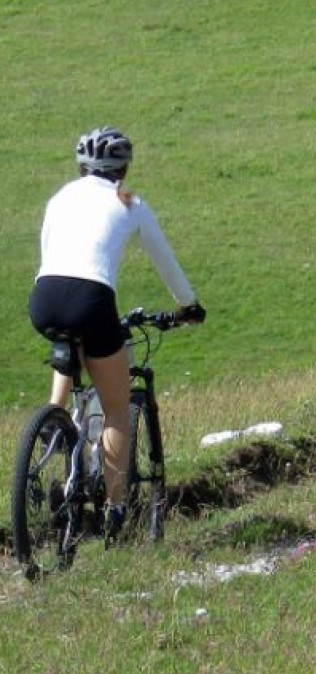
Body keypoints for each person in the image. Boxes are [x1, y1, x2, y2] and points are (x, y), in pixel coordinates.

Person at [28, 125, 206, 544]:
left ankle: (52, 420)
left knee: (70, 340)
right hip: (91, 300)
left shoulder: (60, 198)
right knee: (118, 411)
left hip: (44, 297)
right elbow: (166, 264)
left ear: (80, 165)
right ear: (123, 169)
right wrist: (189, 306)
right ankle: (114, 509)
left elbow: (52, 250)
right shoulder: (131, 204)